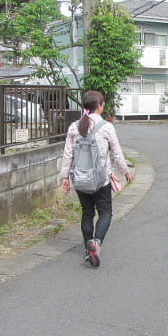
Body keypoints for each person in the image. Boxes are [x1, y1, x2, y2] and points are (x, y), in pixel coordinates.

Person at [60, 90, 133, 267]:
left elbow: (67, 153)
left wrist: (65, 177)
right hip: (101, 180)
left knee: (87, 213)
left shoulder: (74, 127)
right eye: (102, 104)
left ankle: (88, 249)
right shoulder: (106, 127)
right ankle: (96, 243)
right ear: (99, 106)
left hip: (80, 180)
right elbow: (116, 152)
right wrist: (124, 172)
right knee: (105, 212)